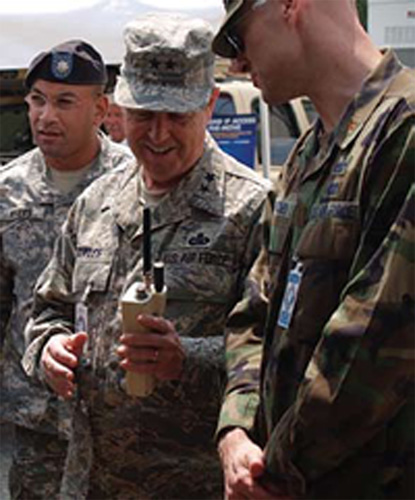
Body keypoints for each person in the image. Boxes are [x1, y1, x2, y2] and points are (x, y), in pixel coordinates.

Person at [22, 14, 271, 499]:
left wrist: (189, 358)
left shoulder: (252, 211)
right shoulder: (96, 204)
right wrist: (49, 349)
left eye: (177, 116)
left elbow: (281, 356)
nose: (158, 135)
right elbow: (46, 308)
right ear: (119, 108)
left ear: (209, 105)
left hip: (194, 483)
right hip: (93, 481)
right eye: (144, 115)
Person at [211, 0, 415, 499]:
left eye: (238, 38)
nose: (236, 64)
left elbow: (374, 345)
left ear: (289, 5)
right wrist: (236, 433)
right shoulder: (308, 153)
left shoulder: (404, 131)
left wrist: (275, 471)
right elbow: (254, 310)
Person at [0, 39, 133, 499]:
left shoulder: (135, 183)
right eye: (37, 100)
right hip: (32, 417)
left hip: (115, 419)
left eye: (64, 102)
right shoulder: (8, 191)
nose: (45, 116)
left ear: (100, 109)